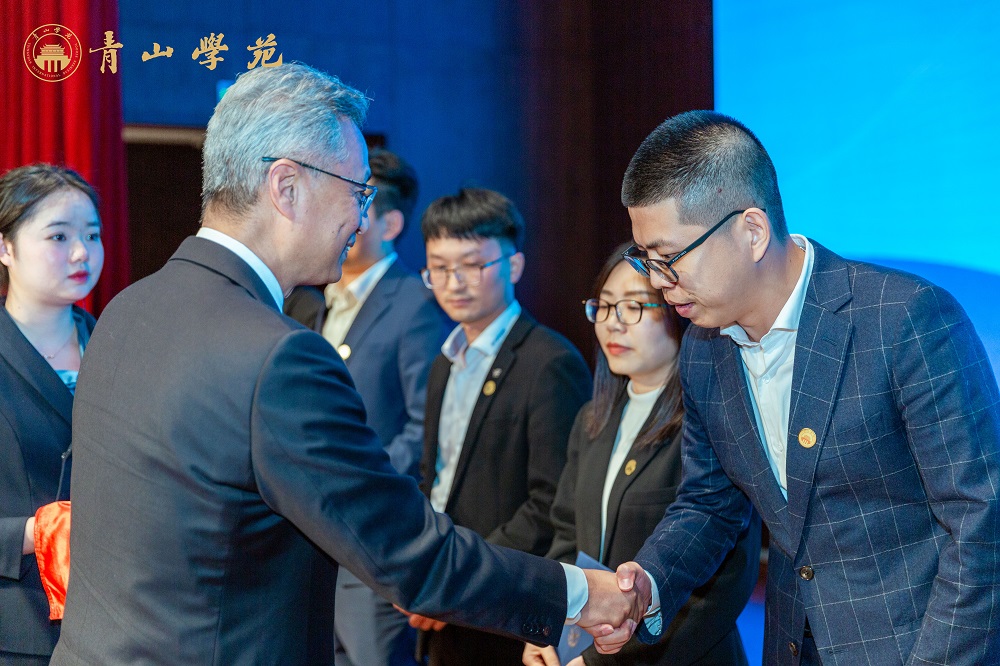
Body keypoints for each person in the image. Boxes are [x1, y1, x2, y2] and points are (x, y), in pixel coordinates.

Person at [51, 64, 642, 666]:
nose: (361, 219)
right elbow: (408, 552)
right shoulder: (278, 357)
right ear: (287, 187)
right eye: (357, 192)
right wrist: (579, 595)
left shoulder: (126, 308)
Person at [593, 110, 1000, 665]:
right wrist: (649, 581)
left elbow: (982, 521)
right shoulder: (704, 350)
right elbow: (710, 503)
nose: (659, 283)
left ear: (752, 232)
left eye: (670, 259)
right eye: (647, 260)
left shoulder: (903, 319)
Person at [523, 244, 760, 666]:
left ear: (677, 313)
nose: (613, 323)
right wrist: (545, 624)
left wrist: (602, 661)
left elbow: (722, 583)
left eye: (633, 307)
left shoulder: (710, 421)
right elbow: (567, 537)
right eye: (604, 307)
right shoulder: (592, 419)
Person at [409, 188, 593, 665]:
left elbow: (551, 502)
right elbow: (435, 479)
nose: (453, 282)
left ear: (513, 266)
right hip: (447, 597)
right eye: (439, 268)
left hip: (507, 604)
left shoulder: (548, 361)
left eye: (471, 265)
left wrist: (458, 576)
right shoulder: (445, 361)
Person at [283, 147, 446, 666]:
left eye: (358, 204)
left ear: (392, 223)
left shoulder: (416, 303)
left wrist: (355, 484)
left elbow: (425, 426)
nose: (343, 217)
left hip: (372, 537)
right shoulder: (311, 300)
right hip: (313, 538)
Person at [0, 164, 104, 665]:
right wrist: (35, 534)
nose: (82, 252)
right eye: (59, 236)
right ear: (6, 248)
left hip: (117, 622)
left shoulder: (119, 343)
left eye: (92, 235)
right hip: (18, 629)